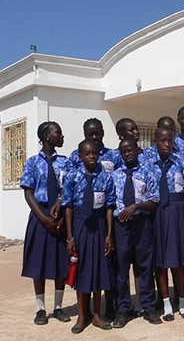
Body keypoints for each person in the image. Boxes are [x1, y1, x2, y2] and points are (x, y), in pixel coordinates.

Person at [62, 140, 116, 333]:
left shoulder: (106, 177)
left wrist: (109, 234)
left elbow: (110, 206)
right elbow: (68, 206)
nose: (92, 156)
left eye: (94, 153)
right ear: (80, 156)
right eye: (87, 153)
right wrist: (70, 236)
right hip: (80, 225)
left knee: (98, 268)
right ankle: (82, 315)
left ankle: (96, 315)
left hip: (100, 225)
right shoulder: (73, 177)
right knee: (83, 269)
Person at [20, 121, 71, 325]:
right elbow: (28, 192)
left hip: (60, 216)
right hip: (40, 216)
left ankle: (58, 307)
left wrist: (59, 203)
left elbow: (68, 187)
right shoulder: (32, 162)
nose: (62, 136)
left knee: (60, 263)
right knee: (38, 264)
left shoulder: (65, 162)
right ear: (47, 137)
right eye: (58, 132)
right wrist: (43, 218)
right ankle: (41, 309)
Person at [111, 137, 162, 327]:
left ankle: (148, 307)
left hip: (141, 224)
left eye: (130, 150)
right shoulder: (115, 175)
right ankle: (123, 309)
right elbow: (110, 203)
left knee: (145, 267)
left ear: (137, 150)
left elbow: (155, 199)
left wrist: (136, 206)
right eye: (123, 152)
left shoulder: (147, 173)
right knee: (121, 269)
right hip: (121, 227)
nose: (127, 154)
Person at [147, 128, 184, 321]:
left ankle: (181, 302)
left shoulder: (180, 162)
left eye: (170, 141)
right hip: (157, 212)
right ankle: (166, 303)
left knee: (180, 261)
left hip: (177, 211)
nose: (167, 144)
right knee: (161, 262)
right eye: (163, 141)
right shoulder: (148, 164)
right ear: (155, 141)